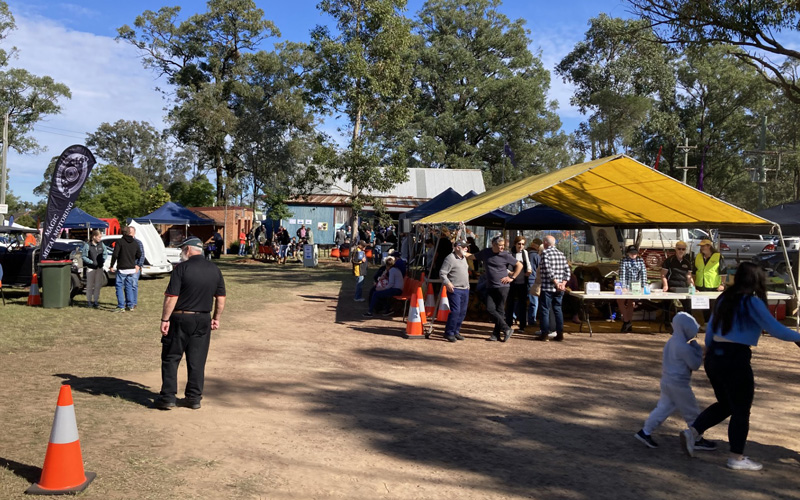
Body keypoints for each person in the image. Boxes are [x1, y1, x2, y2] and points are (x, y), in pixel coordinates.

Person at [680, 262, 800, 471]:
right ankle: (736, 457)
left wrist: (709, 350)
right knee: (741, 409)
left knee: (727, 403)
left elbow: (710, 330)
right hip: (735, 357)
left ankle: (693, 432)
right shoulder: (752, 302)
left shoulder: (724, 298)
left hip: (715, 357)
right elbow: (776, 330)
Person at [155, 237, 226, 410]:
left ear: (187, 249)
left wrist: (165, 319)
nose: (181, 253)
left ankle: (168, 397)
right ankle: (194, 398)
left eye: (182, 249)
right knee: (197, 360)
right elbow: (221, 298)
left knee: (171, 357)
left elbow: (172, 297)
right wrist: (216, 317)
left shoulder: (181, 268)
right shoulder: (214, 269)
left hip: (180, 318)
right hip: (203, 319)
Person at [634, 312, 716, 452]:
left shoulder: (671, 342)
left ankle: (645, 431)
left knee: (662, 408)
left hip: (667, 381)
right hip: (679, 384)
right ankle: (697, 438)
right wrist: (697, 350)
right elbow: (695, 364)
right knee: (691, 411)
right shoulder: (683, 346)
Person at [474, 236, 523, 342]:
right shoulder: (486, 252)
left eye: (503, 245)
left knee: (500, 310)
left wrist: (512, 278)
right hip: (490, 286)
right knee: (490, 308)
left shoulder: (505, 255)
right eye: (500, 245)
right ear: (494, 244)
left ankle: (496, 334)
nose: (502, 247)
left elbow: (519, 265)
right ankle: (506, 329)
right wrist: (461, 251)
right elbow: (472, 256)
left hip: (503, 287)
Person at [537, 235, 571, 342]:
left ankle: (545, 334)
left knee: (545, 310)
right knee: (558, 309)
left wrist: (556, 283)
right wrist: (563, 283)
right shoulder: (561, 254)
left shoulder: (545, 253)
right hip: (560, 288)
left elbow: (548, 270)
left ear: (545, 243)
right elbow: (567, 271)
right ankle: (560, 333)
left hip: (548, 287)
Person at [440, 240, 471, 342]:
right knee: (456, 311)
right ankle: (449, 332)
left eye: (466, 246)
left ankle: (456, 331)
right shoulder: (450, 258)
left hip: (464, 289)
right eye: (464, 246)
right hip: (455, 289)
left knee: (462, 312)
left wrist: (467, 285)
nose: (466, 248)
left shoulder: (463, 258)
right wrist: (448, 283)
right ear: (458, 247)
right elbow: (442, 273)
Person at [109, 226, 142, 313]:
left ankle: (121, 306)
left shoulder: (120, 242)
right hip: (131, 268)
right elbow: (139, 254)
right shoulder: (135, 242)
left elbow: (115, 254)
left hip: (122, 268)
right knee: (129, 286)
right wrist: (133, 259)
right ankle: (130, 305)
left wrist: (111, 265)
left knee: (119, 286)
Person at [661, 240, 694, 325]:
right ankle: (667, 323)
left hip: (683, 287)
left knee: (688, 304)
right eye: (679, 249)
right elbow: (663, 275)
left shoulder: (687, 262)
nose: (681, 251)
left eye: (683, 249)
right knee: (667, 304)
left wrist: (693, 287)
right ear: (675, 249)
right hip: (671, 286)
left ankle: (688, 323)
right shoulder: (669, 260)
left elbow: (689, 276)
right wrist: (665, 285)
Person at [694, 238, 726, 325]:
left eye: (703, 246)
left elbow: (723, 272)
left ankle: (713, 325)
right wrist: (693, 285)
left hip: (713, 287)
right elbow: (694, 272)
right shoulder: (698, 257)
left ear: (709, 246)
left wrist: (722, 284)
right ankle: (704, 325)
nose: (701, 248)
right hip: (700, 286)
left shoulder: (718, 256)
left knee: (714, 308)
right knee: (701, 307)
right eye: (700, 246)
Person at [617, 245, 648, 333]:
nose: (633, 254)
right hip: (626, 285)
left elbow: (643, 273)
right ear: (628, 253)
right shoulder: (624, 261)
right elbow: (622, 274)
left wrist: (643, 286)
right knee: (620, 300)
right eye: (631, 253)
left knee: (631, 302)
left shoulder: (640, 260)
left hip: (636, 286)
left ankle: (628, 323)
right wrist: (623, 286)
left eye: (635, 253)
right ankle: (626, 320)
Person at [505, 235, 533, 333]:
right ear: (515, 244)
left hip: (522, 282)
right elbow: (505, 266)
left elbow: (528, 264)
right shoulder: (510, 253)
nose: (521, 246)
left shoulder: (525, 253)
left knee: (522, 304)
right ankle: (508, 324)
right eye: (519, 244)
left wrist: (529, 270)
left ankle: (522, 325)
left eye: (522, 244)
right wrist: (510, 273)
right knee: (510, 303)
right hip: (512, 282)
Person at [81, 229, 110, 308]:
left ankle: (96, 301)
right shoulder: (88, 245)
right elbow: (84, 256)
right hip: (91, 268)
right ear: (94, 236)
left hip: (99, 268)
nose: (100, 238)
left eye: (100, 237)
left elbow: (105, 253)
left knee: (98, 285)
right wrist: (91, 262)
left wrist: (102, 260)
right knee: (90, 285)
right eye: (99, 237)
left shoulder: (101, 244)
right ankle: (89, 301)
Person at [527, 238, 542, 327]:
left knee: (520, 300)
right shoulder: (536, 256)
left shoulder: (525, 253)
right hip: (532, 280)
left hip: (523, 279)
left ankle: (514, 316)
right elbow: (539, 268)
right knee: (534, 301)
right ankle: (532, 319)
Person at [129, 226, 145, 311]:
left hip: (135, 266)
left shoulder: (138, 242)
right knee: (127, 285)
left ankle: (134, 303)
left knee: (133, 284)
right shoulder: (124, 242)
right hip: (126, 266)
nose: (129, 234)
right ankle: (128, 302)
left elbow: (142, 255)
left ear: (134, 233)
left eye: (131, 232)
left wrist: (139, 265)